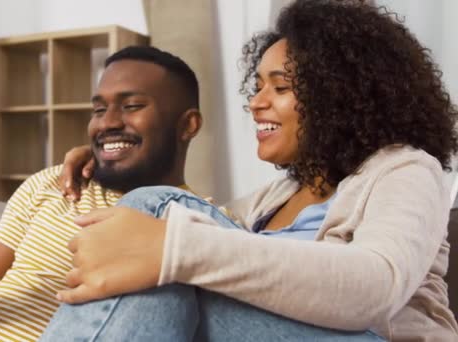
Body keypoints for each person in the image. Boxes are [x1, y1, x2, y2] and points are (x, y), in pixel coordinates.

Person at [45, 0, 458, 340]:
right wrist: (104, 163)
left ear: (341, 97)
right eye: (257, 86)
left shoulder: (405, 169)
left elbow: (375, 288)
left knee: (159, 222)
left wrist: (175, 250)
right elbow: (192, 215)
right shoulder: (271, 199)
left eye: (279, 87)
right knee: (156, 233)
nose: (256, 103)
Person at [0, 46, 206, 341]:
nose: (107, 123)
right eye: (99, 110)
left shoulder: (204, 226)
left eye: (131, 106)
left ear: (188, 125)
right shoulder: (51, 184)